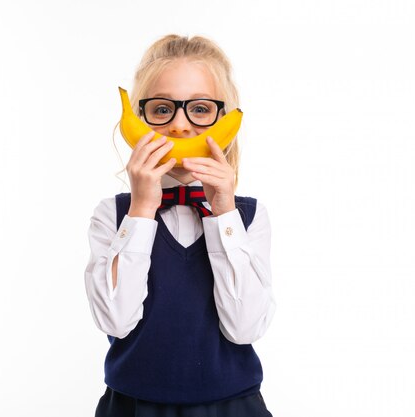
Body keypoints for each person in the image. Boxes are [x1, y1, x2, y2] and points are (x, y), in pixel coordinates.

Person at [84, 34, 276, 417]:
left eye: (201, 109)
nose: (180, 125)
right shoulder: (113, 214)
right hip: (132, 406)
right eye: (161, 109)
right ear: (139, 118)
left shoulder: (250, 217)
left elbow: (245, 328)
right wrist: (141, 209)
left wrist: (224, 212)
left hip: (234, 407)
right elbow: (115, 321)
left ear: (224, 119)